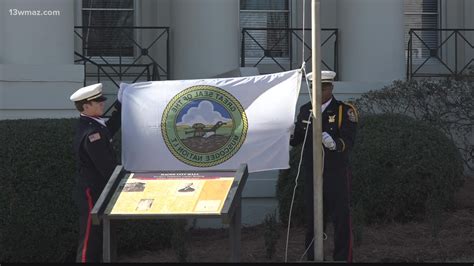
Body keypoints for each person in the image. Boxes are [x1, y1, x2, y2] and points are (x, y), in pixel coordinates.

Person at [290, 70, 358, 262]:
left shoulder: (344, 110)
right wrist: (285, 132)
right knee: (313, 221)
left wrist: (335, 143)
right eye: (314, 87)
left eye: (323, 87)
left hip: (335, 173)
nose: (319, 91)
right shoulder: (305, 110)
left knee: (341, 220)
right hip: (312, 172)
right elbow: (296, 139)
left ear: (331, 88)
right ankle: (313, 258)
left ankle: (342, 259)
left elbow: (349, 140)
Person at [70, 83, 122, 263]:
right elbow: (106, 166)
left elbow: (111, 127)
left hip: (97, 188)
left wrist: (121, 103)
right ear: (85, 106)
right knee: (91, 237)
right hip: (92, 190)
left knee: (101, 234)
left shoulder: (93, 124)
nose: (102, 104)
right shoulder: (91, 132)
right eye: (97, 102)